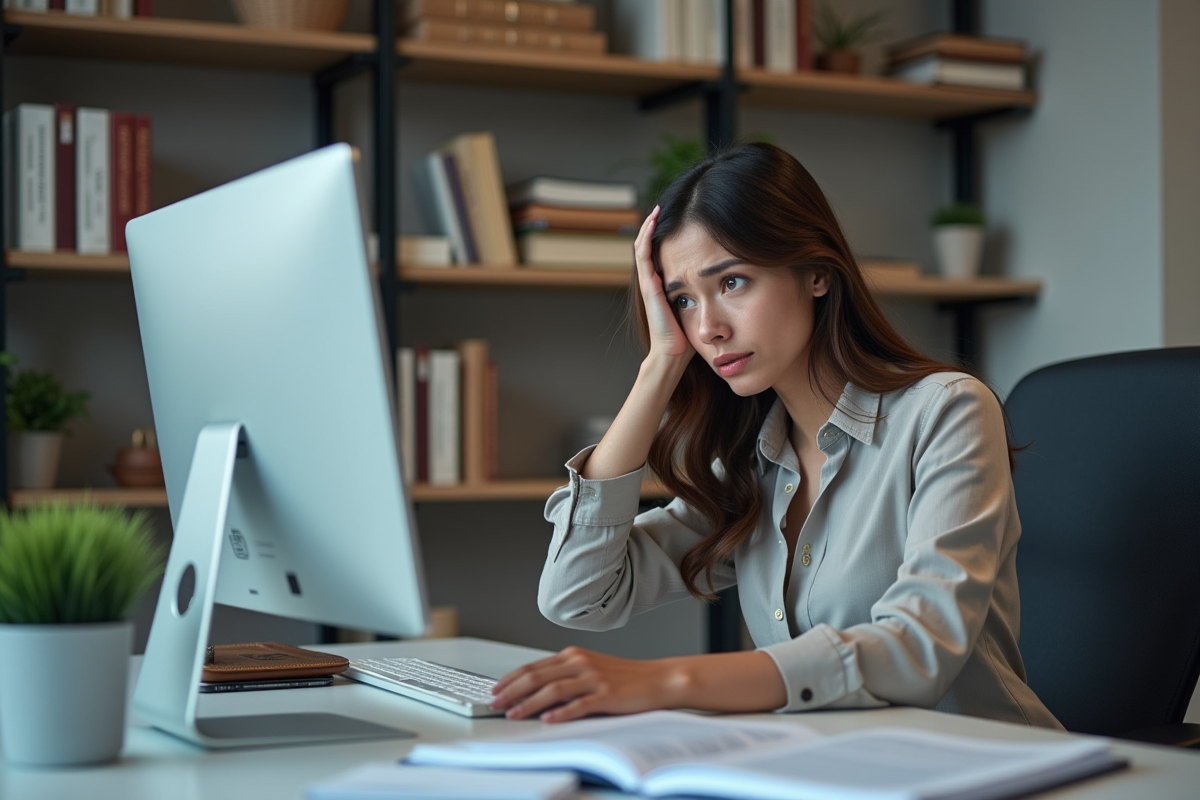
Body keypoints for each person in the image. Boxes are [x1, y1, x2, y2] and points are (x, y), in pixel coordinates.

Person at [489, 142, 1061, 730]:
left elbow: (918, 647)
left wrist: (665, 682)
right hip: (827, 772)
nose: (707, 328)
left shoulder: (947, 413)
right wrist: (660, 362)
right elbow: (579, 594)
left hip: (990, 770)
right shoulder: (748, 468)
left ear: (816, 272)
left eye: (732, 282)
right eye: (683, 300)